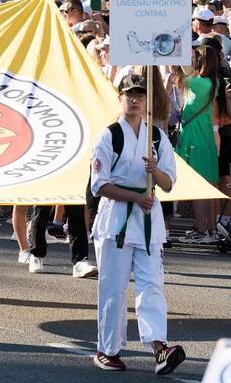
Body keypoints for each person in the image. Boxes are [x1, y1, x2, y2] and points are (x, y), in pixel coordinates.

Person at [90, 74, 186, 375]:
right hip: (116, 220)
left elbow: (168, 184)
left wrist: (154, 170)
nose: (135, 99)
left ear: (147, 100)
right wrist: (135, 197)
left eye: (140, 95)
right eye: (129, 94)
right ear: (120, 98)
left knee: (151, 285)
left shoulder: (156, 137)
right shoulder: (109, 136)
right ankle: (107, 349)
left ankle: (160, 348)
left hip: (148, 221)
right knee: (114, 288)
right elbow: (99, 185)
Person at [176, 45, 223, 243]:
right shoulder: (213, 82)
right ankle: (210, 230)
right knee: (208, 187)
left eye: (196, 57)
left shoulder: (198, 82)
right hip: (205, 140)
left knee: (199, 188)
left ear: (202, 61)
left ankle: (202, 231)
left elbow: (180, 78)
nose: (192, 60)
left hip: (196, 139)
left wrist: (178, 51)